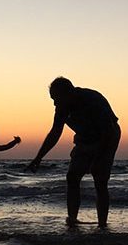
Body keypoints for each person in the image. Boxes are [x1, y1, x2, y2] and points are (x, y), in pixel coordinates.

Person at [27, 77, 120, 227]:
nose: (55, 103)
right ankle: (72, 219)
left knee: (100, 179)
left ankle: (102, 224)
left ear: (69, 93)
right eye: (53, 100)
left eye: (56, 99)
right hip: (84, 138)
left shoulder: (92, 100)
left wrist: (98, 158)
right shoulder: (62, 108)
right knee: (72, 177)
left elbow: (107, 131)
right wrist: (38, 158)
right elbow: (55, 133)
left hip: (107, 136)